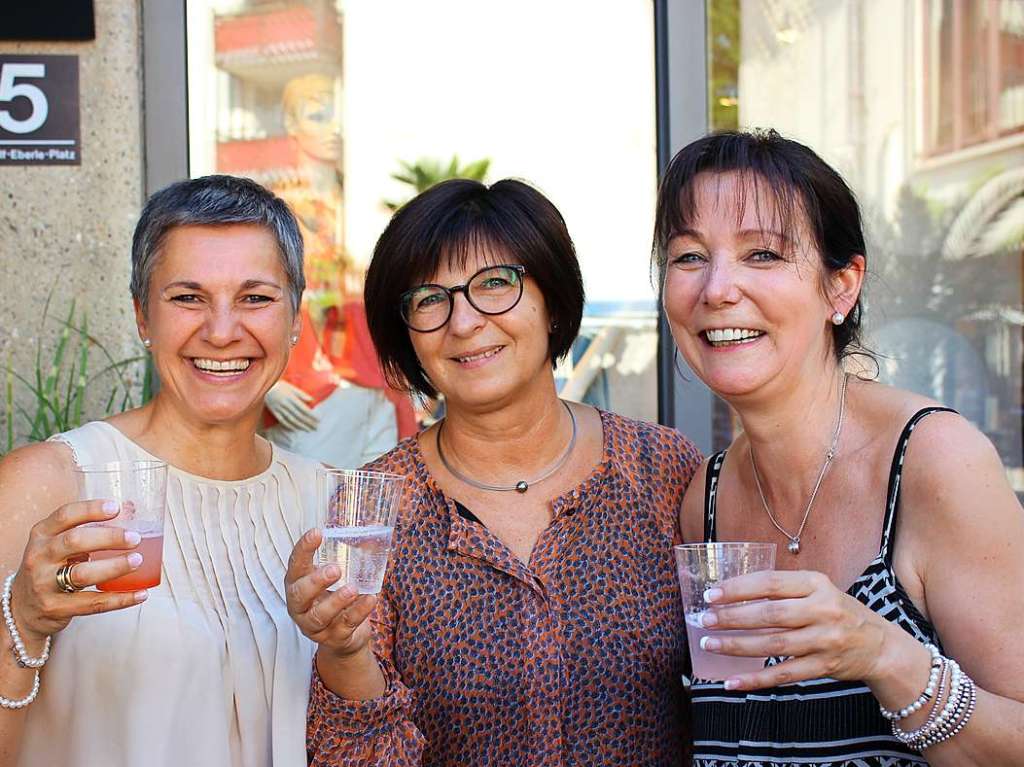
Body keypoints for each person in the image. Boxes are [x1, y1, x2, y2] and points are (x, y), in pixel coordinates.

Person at [285, 178, 703, 766]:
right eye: (430, 298)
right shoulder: (378, 506)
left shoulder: (660, 469)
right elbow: (356, 755)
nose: (464, 321)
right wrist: (344, 653)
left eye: (495, 284)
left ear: (552, 301)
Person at [656, 129, 1024, 765]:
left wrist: (883, 654)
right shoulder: (705, 498)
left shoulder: (932, 461)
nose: (716, 288)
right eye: (689, 257)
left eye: (762, 254)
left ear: (841, 288)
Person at [0, 176, 320, 766]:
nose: (222, 331)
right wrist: (20, 620)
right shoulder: (49, 484)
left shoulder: (328, 502)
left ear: (295, 318)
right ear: (142, 317)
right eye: (187, 297)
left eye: (255, 298)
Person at [264, 73, 414, 468]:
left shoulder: (358, 209)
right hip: (313, 396)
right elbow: (253, 298)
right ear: (291, 124)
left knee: (377, 520)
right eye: (317, 115)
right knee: (313, 520)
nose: (333, 128)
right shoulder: (277, 215)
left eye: (338, 116)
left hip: (379, 386)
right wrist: (265, 383)